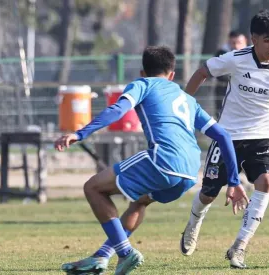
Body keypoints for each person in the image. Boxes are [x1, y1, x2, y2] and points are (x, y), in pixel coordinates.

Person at [55, 46, 248, 275]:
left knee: (93, 188)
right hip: (189, 172)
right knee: (139, 202)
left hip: (163, 160)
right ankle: (102, 256)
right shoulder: (187, 99)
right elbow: (224, 136)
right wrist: (234, 181)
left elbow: (118, 110)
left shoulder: (142, 85)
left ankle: (125, 253)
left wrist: (80, 133)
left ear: (142, 72)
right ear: (172, 75)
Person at [180, 10, 269, 269]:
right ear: (254, 38)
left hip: (264, 137)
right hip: (227, 137)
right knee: (209, 193)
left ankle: (239, 247)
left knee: (266, 181)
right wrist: (183, 106)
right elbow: (202, 72)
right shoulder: (236, 59)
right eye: (267, 40)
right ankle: (194, 222)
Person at [213, 30, 249, 115]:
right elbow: (219, 74)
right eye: (233, 43)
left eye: (239, 43)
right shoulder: (221, 55)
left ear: (245, 42)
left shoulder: (253, 56)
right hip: (224, 94)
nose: (236, 46)